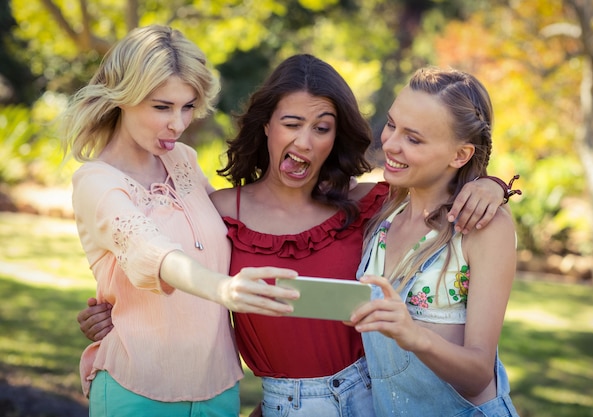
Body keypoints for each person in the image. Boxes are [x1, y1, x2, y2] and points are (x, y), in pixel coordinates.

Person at [77, 54, 510, 416]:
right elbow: (172, 255)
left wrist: (490, 185)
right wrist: (116, 308)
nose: (304, 142)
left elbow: (438, 184)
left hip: (368, 401)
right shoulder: (221, 213)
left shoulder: (370, 205)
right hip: (277, 402)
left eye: (322, 128)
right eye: (291, 123)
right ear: (267, 125)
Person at [61, 24, 299, 417]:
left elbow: (239, 219)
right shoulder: (96, 181)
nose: (179, 123)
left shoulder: (182, 160)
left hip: (218, 390)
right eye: (162, 107)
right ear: (123, 97)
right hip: (136, 391)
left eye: (187, 106)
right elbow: (154, 253)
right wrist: (224, 290)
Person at [349, 67, 519, 416]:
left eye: (414, 139)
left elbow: (477, 375)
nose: (391, 144)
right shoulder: (383, 210)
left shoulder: (482, 227)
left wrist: (413, 335)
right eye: (392, 124)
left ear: (460, 155)